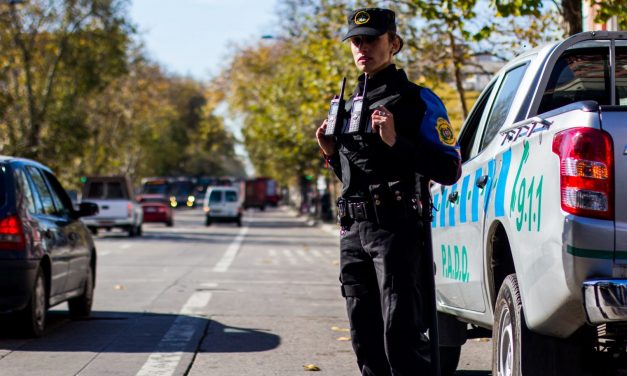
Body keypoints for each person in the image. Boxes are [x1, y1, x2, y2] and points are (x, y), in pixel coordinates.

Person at [315, 7, 462, 376]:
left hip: (396, 229)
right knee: (363, 339)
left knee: (400, 337)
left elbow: (450, 169)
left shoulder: (417, 100)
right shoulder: (347, 107)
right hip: (353, 229)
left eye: (371, 39)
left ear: (393, 43)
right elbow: (356, 175)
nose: (361, 47)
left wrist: (397, 141)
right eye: (355, 41)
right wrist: (331, 155)